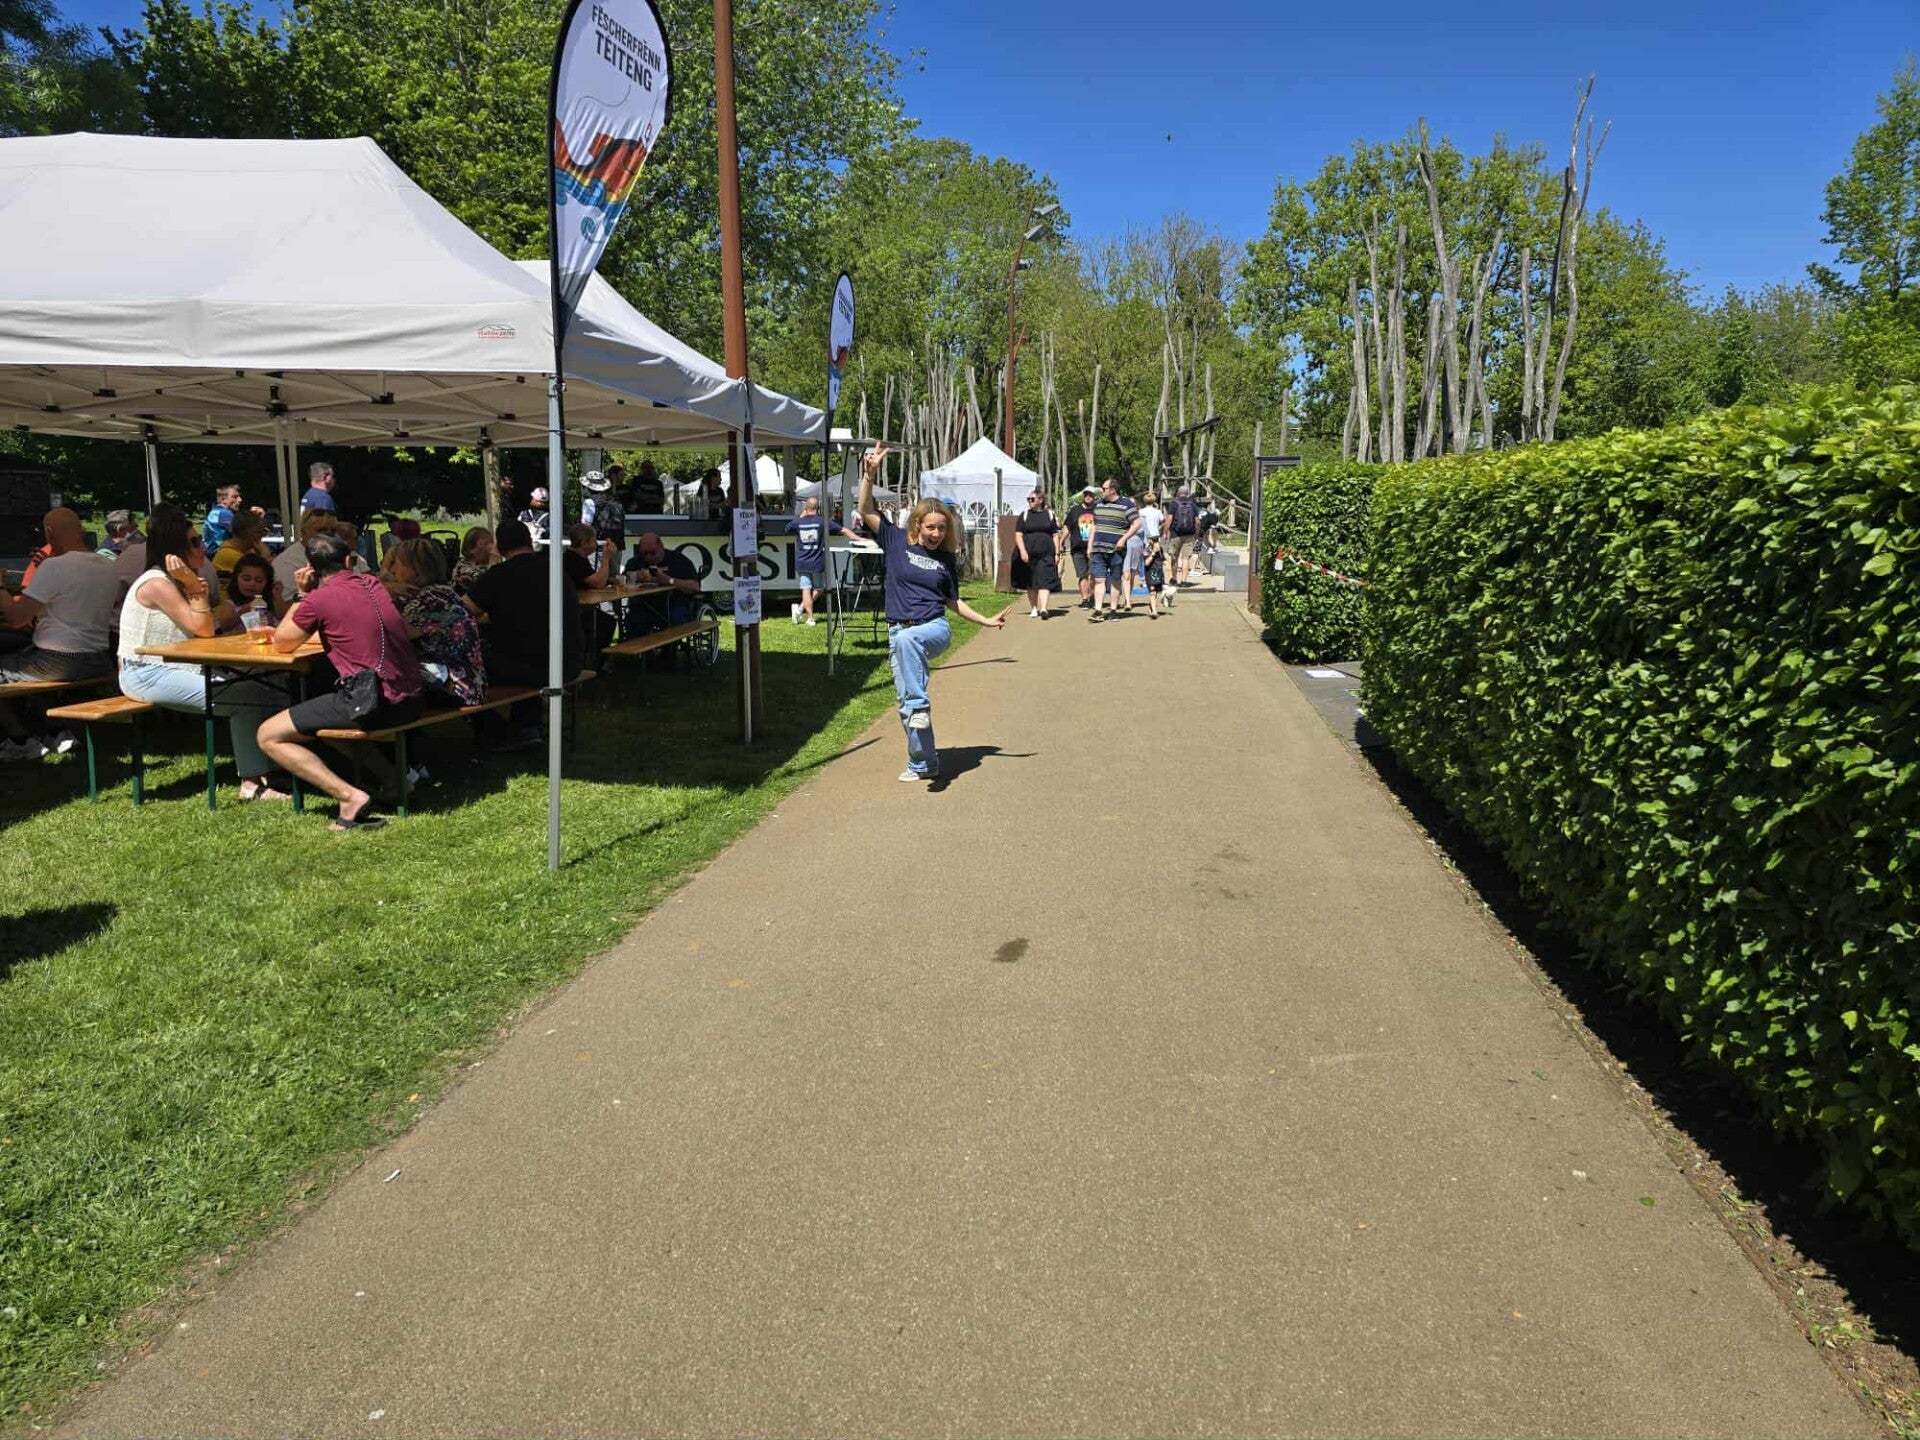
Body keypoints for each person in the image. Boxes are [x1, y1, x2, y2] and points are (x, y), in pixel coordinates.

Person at [114, 504, 291, 800]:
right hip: (144, 672)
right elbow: (204, 628)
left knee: (267, 685)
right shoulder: (157, 583)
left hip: (177, 667)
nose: (202, 547)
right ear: (175, 551)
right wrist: (193, 587)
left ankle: (274, 767)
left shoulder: (176, 581)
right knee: (242, 696)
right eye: (195, 542)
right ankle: (252, 783)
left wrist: (191, 584)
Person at [854, 444, 1003, 784]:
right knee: (905, 702)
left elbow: (952, 602)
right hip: (899, 632)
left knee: (913, 689)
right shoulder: (895, 540)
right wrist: (868, 476)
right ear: (917, 525)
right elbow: (865, 510)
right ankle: (924, 763)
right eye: (931, 527)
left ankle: (920, 707)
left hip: (933, 629)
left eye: (942, 528)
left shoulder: (945, 560)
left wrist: (985, 620)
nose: (936, 534)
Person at [256, 531, 423, 830]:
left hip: (372, 702)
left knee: (268, 735)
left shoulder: (317, 600)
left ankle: (348, 797)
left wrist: (302, 594)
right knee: (325, 725)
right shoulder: (372, 584)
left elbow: (282, 643)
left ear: (310, 568)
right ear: (348, 560)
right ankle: (393, 781)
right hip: (412, 698)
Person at [0, 508, 120, 757]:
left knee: (28, 663)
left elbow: (16, 618)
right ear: (81, 531)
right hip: (99, 658)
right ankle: (56, 732)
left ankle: (19, 740)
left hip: (60, 661)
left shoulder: (54, 567)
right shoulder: (108, 566)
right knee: (30, 657)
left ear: (49, 532)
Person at [465, 519, 592, 743]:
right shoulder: (555, 570)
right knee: (523, 647)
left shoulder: (498, 575)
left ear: (500, 547)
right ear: (529, 542)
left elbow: (463, 611)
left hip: (531, 667)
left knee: (465, 669)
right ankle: (527, 725)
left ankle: (497, 730)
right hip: (568, 662)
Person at [381, 537, 485, 708]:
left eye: (397, 564)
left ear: (415, 569)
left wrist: (381, 589)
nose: (392, 570)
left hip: (457, 689)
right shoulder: (442, 593)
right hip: (468, 683)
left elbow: (394, 634)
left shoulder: (430, 600)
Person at [621, 531, 700, 636]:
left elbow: (695, 586)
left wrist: (670, 581)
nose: (649, 557)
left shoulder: (678, 560)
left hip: (674, 605)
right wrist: (635, 576)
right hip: (644, 606)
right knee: (633, 623)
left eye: (652, 553)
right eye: (645, 553)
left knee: (672, 621)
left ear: (661, 547)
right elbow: (621, 580)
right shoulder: (635, 561)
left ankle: (670, 646)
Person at [784, 496, 846, 626]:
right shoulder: (822, 521)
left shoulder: (799, 521)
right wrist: (858, 538)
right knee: (818, 588)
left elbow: (787, 528)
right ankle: (808, 616)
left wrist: (800, 517)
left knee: (807, 588)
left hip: (802, 560)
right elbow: (840, 529)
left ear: (806, 508)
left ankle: (802, 611)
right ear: (818, 508)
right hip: (817, 560)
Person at [1087, 476, 1140, 622]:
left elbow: (1137, 524)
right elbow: (1094, 526)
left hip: (1116, 550)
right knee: (1099, 579)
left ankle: (1113, 610)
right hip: (1098, 548)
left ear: (1112, 490)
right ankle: (1098, 610)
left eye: (1104, 488)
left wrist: (1124, 538)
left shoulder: (1127, 504)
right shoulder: (1098, 504)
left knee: (1116, 579)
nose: (1101, 491)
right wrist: (1090, 546)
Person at [1012, 489, 1064, 618]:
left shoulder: (1049, 515)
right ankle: (1034, 608)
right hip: (1029, 553)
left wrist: (1057, 553)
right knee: (1031, 581)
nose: (1029, 501)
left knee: (1044, 580)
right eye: (1028, 499)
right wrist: (1022, 551)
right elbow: (1018, 535)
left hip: (1046, 554)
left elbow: (1055, 535)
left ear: (1040, 500)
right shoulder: (1024, 515)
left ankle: (1044, 609)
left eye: (1032, 499)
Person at [224, 552, 288, 626]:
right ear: (236, 579)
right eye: (246, 579)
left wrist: (277, 596)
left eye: (259, 581)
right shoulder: (231, 604)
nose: (252, 584)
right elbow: (225, 626)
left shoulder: (271, 601)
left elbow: (285, 619)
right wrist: (242, 612)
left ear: (267, 583)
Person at [581, 470, 626, 571]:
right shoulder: (615, 501)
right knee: (614, 577)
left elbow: (586, 526)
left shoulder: (589, 502)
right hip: (616, 546)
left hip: (599, 546)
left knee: (597, 576)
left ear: (587, 487)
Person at [211, 509, 270, 582]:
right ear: (248, 533)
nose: (263, 535)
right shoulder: (229, 555)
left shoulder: (248, 550)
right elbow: (261, 577)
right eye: (261, 532)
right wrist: (265, 554)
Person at [1135, 492, 1168, 615]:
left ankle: (1145, 578)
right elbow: (1163, 521)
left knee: (1145, 559)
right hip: (1155, 537)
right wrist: (1160, 529)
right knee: (1155, 559)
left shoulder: (1140, 512)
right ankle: (1152, 583)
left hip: (1144, 537)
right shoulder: (1158, 512)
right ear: (1154, 501)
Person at [1065, 484, 1098, 609]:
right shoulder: (1075, 510)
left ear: (1094, 496)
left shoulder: (1098, 510)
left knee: (1094, 574)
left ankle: (1093, 597)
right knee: (1082, 575)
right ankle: (1084, 599)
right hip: (1077, 548)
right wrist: (1061, 542)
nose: (1088, 497)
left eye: (1091, 495)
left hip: (1095, 548)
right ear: (1083, 496)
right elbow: (1067, 527)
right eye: (1086, 494)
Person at [1166, 484, 1201, 587]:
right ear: (1187, 493)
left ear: (1178, 493)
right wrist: (1196, 534)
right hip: (1189, 534)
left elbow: (1169, 519)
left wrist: (1165, 532)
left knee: (1174, 557)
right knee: (1186, 558)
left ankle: (1174, 579)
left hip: (1175, 534)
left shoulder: (1174, 503)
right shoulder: (1193, 504)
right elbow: (1197, 522)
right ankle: (1184, 581)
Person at [452, 526, 497, 595]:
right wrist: (493, 565)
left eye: (491, 542)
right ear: (471, 549)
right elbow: (489, 589)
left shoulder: (483, 565)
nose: (491, 547)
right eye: (485, 544)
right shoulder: (464, 571)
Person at [203, 484, 242, 553]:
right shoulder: (225, 514)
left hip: (209, 553)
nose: (240, 500)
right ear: (223, 499)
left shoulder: (214, 511)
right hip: (218, 555)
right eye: (235, 497)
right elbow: (244, 535)